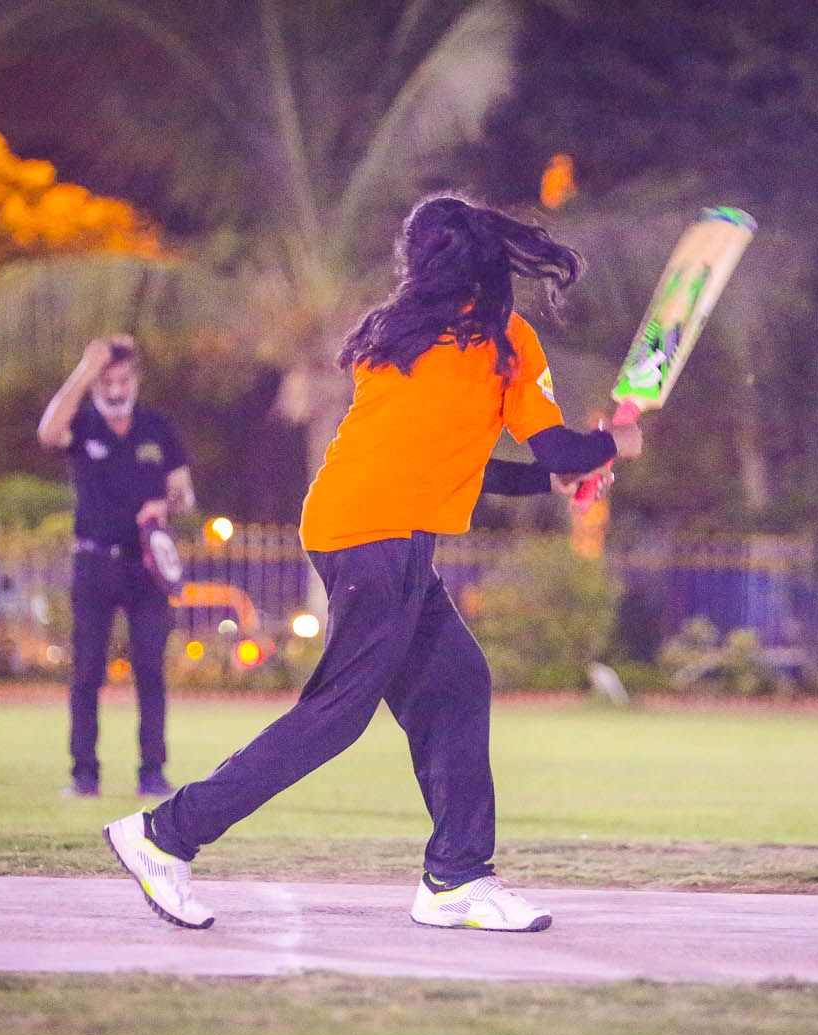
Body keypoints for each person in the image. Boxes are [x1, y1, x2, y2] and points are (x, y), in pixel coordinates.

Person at [103, 194, 642, 932]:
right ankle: (165, 834)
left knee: (457, 684)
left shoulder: (397, 333)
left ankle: (456, 878)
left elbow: (449, 459)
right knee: (336, 715)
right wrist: (610, 445)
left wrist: (557, 474)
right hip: (381, 538)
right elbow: (558, 449)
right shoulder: (503, 340)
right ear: (488, 258)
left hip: (354, 527)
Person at [37, 335, 195, 799]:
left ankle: (153, 772)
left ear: (136, 380)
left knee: (151, 669)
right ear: (94, 385)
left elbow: (184, 493)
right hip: (93, 562)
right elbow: (48, 434)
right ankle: (84, 774)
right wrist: (86, 367)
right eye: (106, 382)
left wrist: (164, 504)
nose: (115, 389)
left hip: (146, 566)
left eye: (123, 380)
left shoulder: (158, 428)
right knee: (87, 671)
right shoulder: (83, 425)